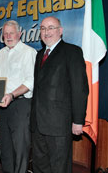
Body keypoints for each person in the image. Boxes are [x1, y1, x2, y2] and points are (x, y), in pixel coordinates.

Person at [30, 16, 89, 173]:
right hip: (37, 125)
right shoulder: (39, 54)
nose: (46, 32)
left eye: (51, 28)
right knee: (39, 166)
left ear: (60, 31)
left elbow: (80, 89)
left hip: (59, 125)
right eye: (42, 28)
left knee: (59, 168)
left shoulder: (72, 52)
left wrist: (78, 120)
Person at [0, 20, 37, 173]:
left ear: (19, 34)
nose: (8, 36)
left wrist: (12, 95)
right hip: (3, 105)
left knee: (20, 149)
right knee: (5, 148)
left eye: (11, 33)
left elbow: (30, 81)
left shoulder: (29, 52)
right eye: (5, 34)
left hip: (21, 105)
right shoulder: (1, 53)